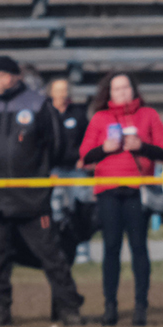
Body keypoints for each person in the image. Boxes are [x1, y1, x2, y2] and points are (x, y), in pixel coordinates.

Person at [0, 55, 85, 327]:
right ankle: (0, 310)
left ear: (9, 76)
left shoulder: (38, 105)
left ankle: (68, 308)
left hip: (32, 199)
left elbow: (58, 146)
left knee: (51, 256)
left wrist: (43, 173)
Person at [78, 73, 163, 326]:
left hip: (137, 191)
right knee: (111, 248)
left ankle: (141, 305)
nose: (122, 92)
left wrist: (141, 146)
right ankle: (110, 306)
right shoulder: (100, 118)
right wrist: (105, 149)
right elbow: (85, 155)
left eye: (126, 87)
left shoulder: (148, 115)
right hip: (108, 191)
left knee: (139, 248)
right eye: (116, 88)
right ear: (108, 93)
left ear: (134, 89)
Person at [47, 77, 94, 264]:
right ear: (51, 93)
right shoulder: (46, 114)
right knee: (55, 211)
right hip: (53, 171)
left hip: (76, 170)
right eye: (59, 90)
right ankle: (58, 251)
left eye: (66, 89)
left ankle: (83, 252)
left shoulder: (78, 113)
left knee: (81, 211)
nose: (63, 94)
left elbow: (88, 138)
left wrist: (85, 158)